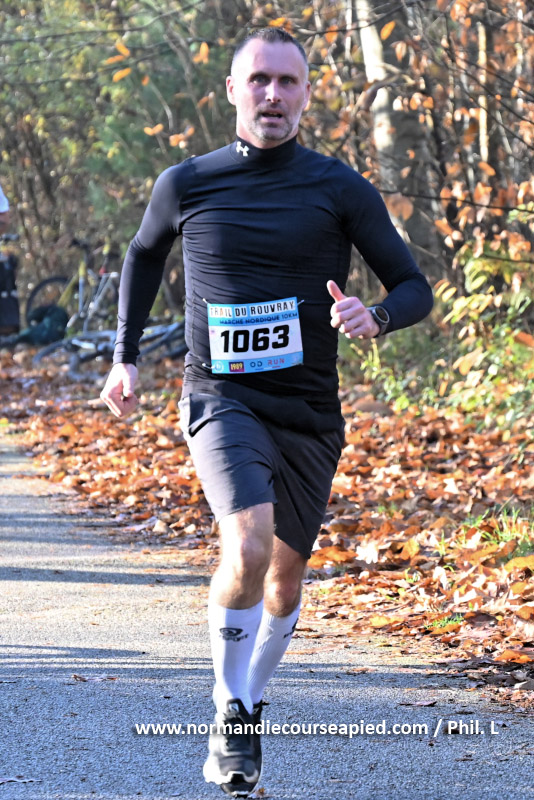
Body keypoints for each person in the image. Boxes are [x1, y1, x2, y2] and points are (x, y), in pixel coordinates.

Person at [101, 28, 433, 797]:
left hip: (310, 411)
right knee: (247, 545)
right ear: (232, 89)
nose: (273, 95)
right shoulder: (187, 183)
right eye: (259, 80)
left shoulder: (339, 188)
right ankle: (232, 711)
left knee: (284, 583)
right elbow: (143, 255)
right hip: (221, 398)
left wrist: (375, 317)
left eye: (288, 82)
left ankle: (249, 697)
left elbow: (413, 285)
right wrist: (124, 357)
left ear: (307, 93)